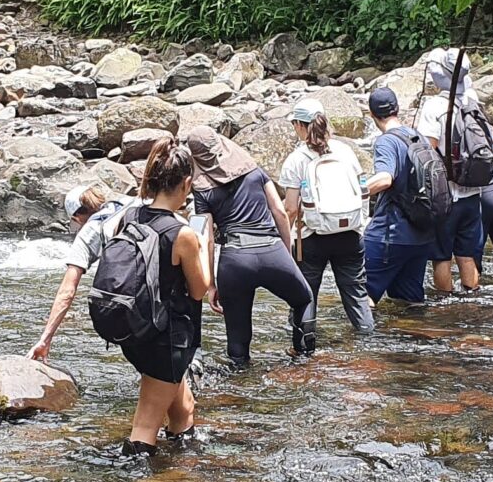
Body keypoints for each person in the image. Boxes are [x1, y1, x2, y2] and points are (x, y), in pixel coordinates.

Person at [111, 139, 213, 452]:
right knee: (145, 424)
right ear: (186, 183)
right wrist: (204, 243)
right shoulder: (182, 234)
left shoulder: (128, 218)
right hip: (167, 339)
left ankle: (182, 467)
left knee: (182, 408)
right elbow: (199, 289)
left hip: (135, 331)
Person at [182, 124, 312, 367]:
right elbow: (281, 214)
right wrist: (286, 255)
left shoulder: (202, 191)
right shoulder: (254, 171)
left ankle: (239, 382)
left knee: (237, 338)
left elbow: (206, 239)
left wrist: (210, 284)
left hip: (234, 260)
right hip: (271, 248)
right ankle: (304, 358)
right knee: (304, 299)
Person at [277, 98, 374, 351]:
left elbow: (289, 208)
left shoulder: (296, 160)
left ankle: (304, 350)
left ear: (299, 125)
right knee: (356, 294)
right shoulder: (345, 150)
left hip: (311, 238)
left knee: (306, 293)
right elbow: (363, 190)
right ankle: (369, 345)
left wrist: (284, 242)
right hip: (350, 233)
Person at [416, 48, 493, 293]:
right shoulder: (472, 104)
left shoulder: (434, 107)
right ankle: (471, 296)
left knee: (441, 256)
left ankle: (445, 302)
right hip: (473, 194)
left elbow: (427, 152)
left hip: (446, 196)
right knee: (467, 254)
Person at [31, 184, 127, 361]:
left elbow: (67, 292)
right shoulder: (129, 203)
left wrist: (45, 339)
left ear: (77, 217)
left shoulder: (89, 231)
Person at [360, 85, 437, 305]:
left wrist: (352, 192)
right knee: (408, 303)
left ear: (372, 114)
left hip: (389, 236)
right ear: (397, 109)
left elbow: (385, 178)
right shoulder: (417, 137)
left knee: (360, 297)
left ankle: (357, 340)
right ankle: (414, 336)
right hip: (421, 233)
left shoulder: (386, 141)